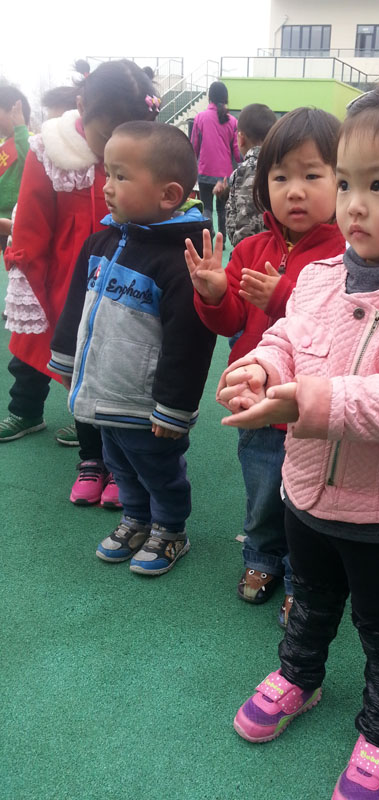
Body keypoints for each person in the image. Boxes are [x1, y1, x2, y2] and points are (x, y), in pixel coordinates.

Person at [213, 76, 379, 798]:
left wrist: (308, 400)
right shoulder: (321, 276)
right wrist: (261, 368)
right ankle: (299, 676)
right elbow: (289, 339)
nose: (353, 203)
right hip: (305, 488)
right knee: (310, 597)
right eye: (347, 183)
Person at [187, 107, 345, 627]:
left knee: (307, 501)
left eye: (312, 175)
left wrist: (282, 296)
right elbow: (232, 320)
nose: (295, 191)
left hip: (310, 407)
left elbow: (337, 326)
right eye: (281, 178)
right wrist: (214, 294)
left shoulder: (348, 255)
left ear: (342, 182)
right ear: (263, 185)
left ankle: (302, 578)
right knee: (261, 488)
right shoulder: (252, 248)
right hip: (255, 402)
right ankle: (261, 555)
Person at [48, 121, 216, 576]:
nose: (107, 187)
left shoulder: (180, 260)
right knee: (119, 464)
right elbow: (76, 304)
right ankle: (136, 520)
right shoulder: (101, 241)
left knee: (159, 468)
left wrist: (174, 408)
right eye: (108, 173)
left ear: (168, 194)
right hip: (104, 388)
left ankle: (171, 530)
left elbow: (190, 341)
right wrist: (66, 358)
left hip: (147, 402)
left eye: (121, 176)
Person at [1, 60, 159, 511]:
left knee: (124, 364)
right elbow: (32, 225)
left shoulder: (146, 148)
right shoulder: (52, 151)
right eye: (104, 136)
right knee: (78, 364)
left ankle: (120, 460)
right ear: (81, 107)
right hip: (69, 282)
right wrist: (29, 281)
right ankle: (93, 458)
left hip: (130, 280)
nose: (111, 150)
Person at [213, 102, 277, 247]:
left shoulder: (240, 172)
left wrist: (225, 195)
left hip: (246, 250)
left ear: (241, 138)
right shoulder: (280, 168)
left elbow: (235, 219)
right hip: (275, 247)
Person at [190, 81, 240, 242]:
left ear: (209, 97)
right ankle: (222, 239)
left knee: (206, 207)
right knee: (222, 209)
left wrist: (192, 165)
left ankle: (208, 237)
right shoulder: (232, 121)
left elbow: (194, 146)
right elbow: (237, 151)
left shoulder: (200, 118)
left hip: (205, 171)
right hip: (225, 175)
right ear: (226, 98)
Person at [0, 88, 30, 252]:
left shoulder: (26, 141)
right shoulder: (4, 144)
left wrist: (20, 127)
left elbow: (29, 161)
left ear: (13, 112)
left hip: (11, 224)